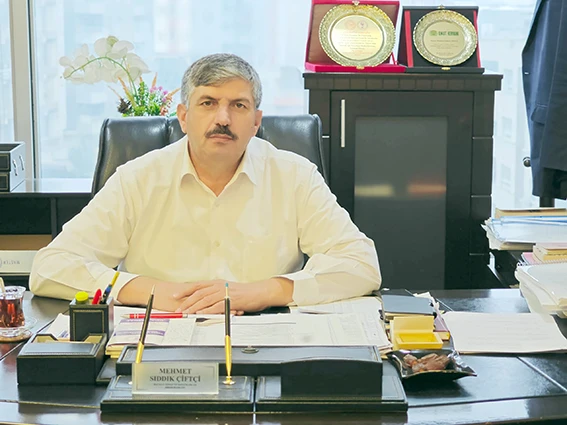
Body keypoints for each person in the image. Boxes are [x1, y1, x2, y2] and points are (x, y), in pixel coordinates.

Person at [30, 53, 381, 313]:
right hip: (158, 335)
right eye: (208, 103)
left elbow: (361, 265)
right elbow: (51, 266)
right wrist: (149, 290)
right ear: (184, 117)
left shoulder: (294, 176)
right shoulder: (138, 178)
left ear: (256, 121)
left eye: (238, 105)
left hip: (261, 334)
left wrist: (263, 292)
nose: (222, 118)